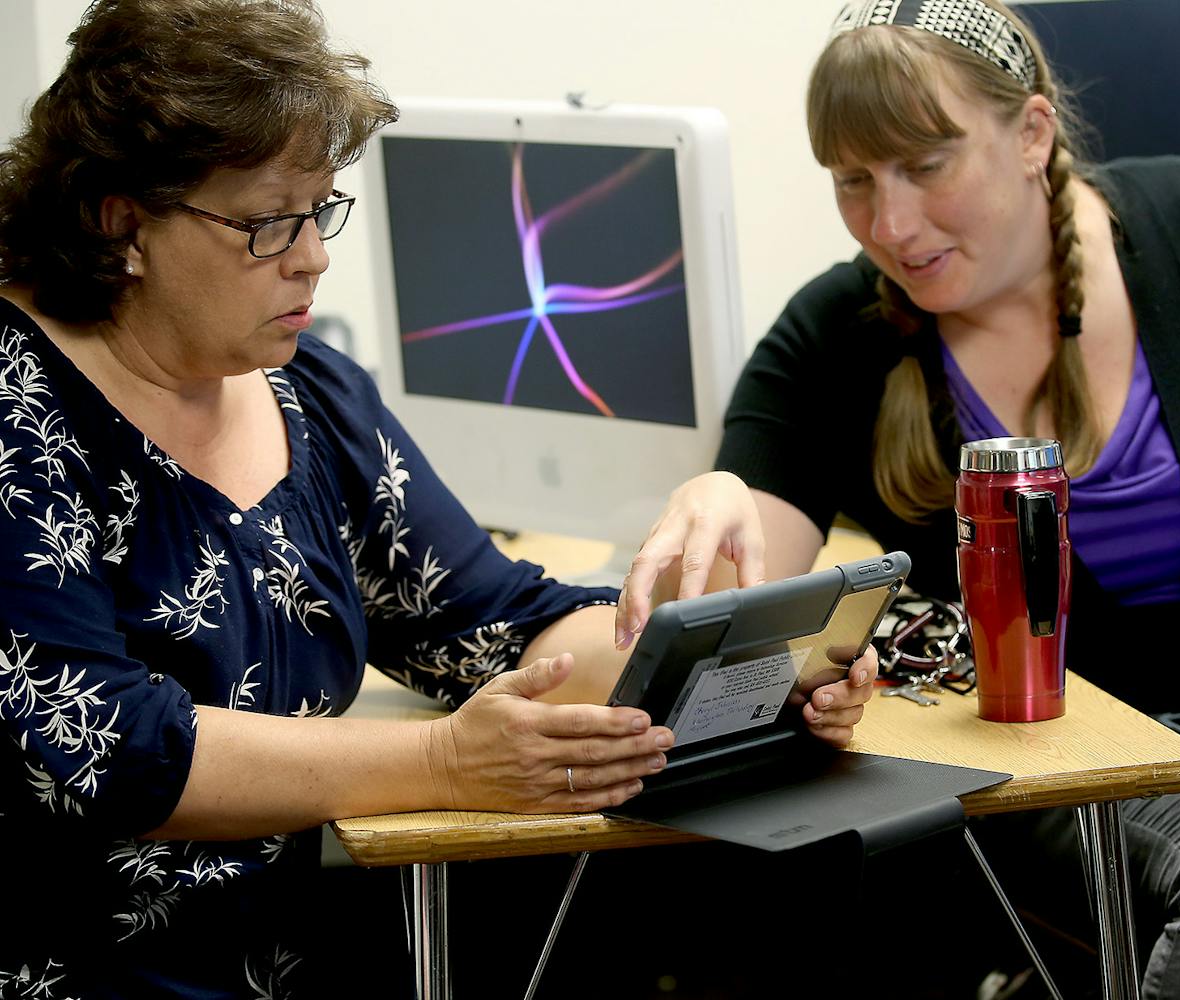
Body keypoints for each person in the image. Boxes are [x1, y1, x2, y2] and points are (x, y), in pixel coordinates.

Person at [0, 2, 877, 996]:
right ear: (123, 220)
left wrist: (746, 661)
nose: (312, 256)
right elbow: (105, 748)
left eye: (320, 209)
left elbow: (494, 626)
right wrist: (445, 763)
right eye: (269, 223)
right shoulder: (18, 411)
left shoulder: (309, 400)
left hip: (287, 957)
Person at [617, 1, 1180, 997]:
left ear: (1032, 135)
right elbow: (752, 585)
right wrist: (717, 518)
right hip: (1072, 756)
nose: (892, 224)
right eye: (854, 182)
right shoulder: (837, 339)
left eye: (926, 165)